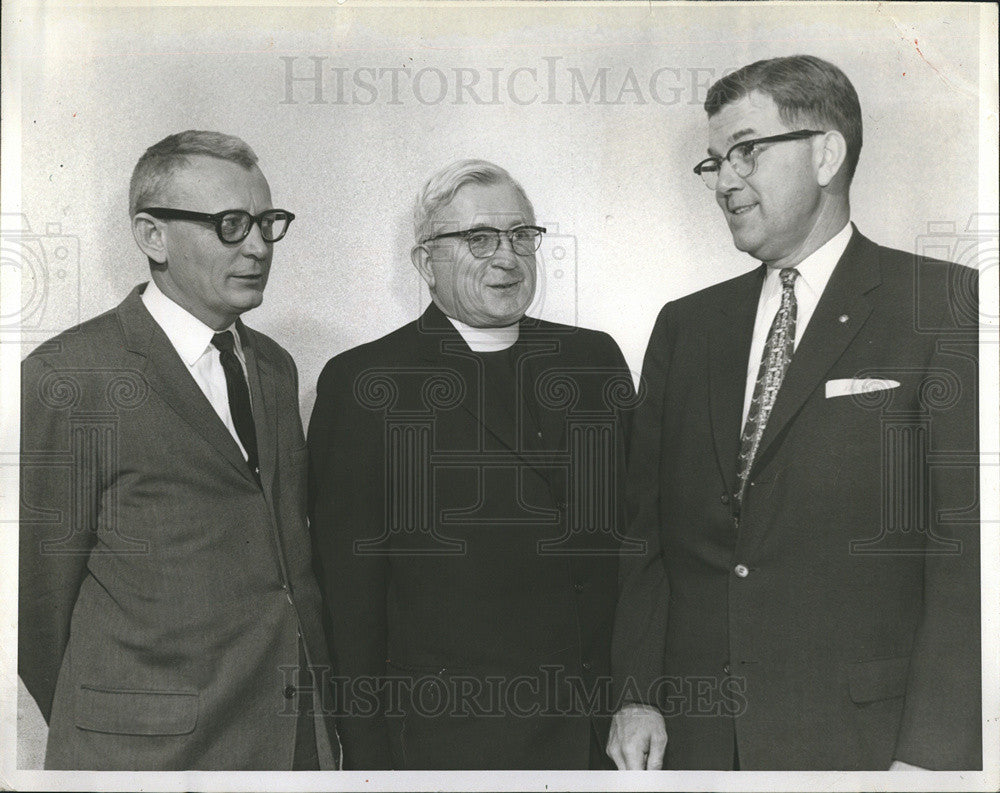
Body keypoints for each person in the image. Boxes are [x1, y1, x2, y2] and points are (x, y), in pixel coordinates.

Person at [608, 55, 980, 771]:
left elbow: (969, 559)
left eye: (746, 151)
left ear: (826, 154)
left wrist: (933, 757)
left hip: (867, 747)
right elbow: (647, 535)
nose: (722, 181)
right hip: (697, 742)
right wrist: (637, 694)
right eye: (714, 161)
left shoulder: (945, 308)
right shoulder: (687, 326)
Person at [19, 130, 335, 770]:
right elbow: (33, 603)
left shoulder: (274, 368)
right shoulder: (70, 375)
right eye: (230, 224)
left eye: (266, 223)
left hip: (285, 740)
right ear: (151, 235)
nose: (257, 246)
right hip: (142, 756)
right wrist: (116, 724)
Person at [308, 159, 635, 769]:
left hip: (602, 736)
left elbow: (635, 543)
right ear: (425, 261)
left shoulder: (595, 359)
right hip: (453, 744)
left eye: (521, 236)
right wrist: (372, 763)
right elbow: (350, 605)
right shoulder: (366, 382)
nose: (506, 257)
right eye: (479, 239)